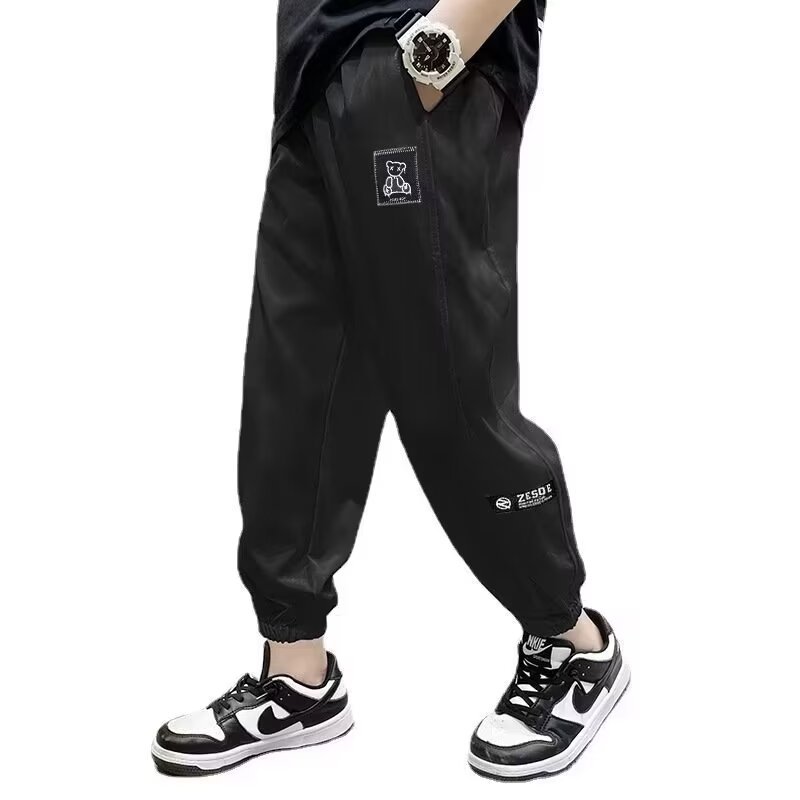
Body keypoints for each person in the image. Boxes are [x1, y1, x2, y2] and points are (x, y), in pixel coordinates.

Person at [151, 0, 629, 781]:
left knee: (447, 385)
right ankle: (297, 672)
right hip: (313, 67)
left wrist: (438, 51)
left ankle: (573, 642)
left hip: (416, 56)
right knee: (293, 386)